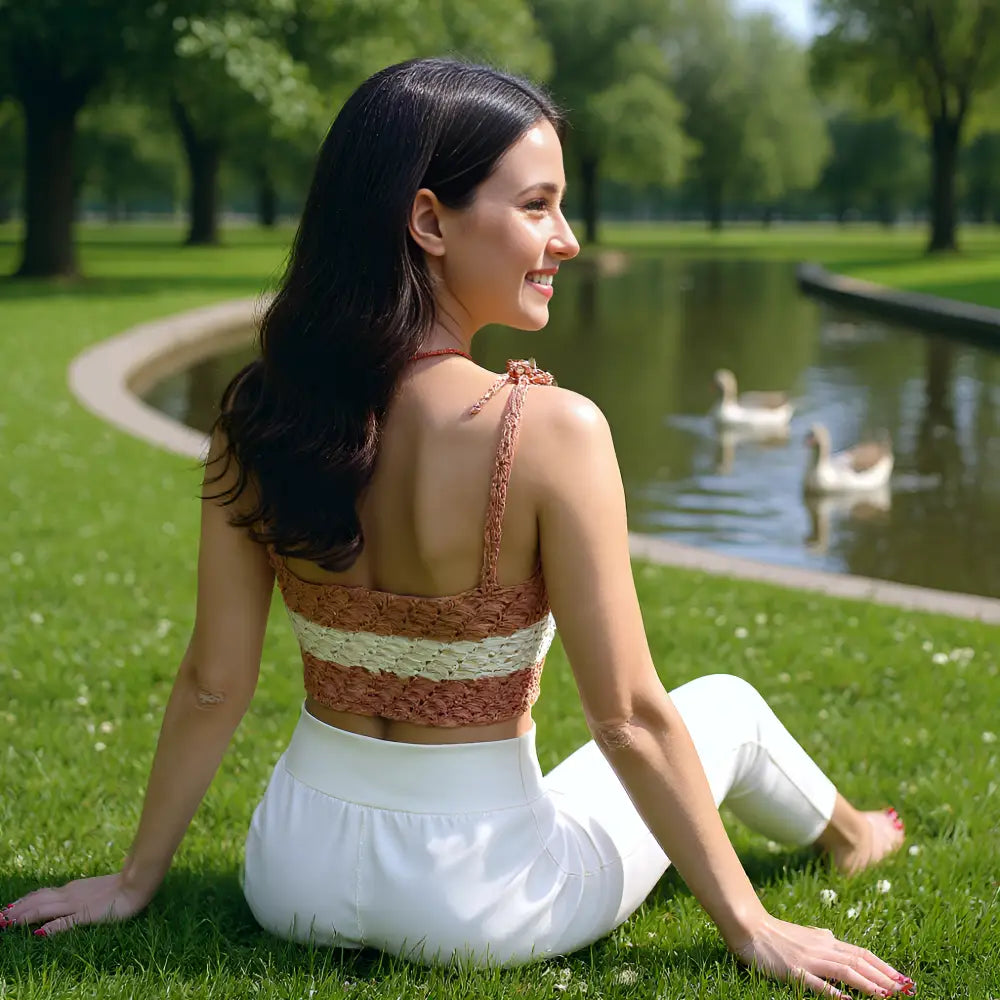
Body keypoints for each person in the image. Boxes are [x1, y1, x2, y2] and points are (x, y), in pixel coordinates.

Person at [0, 58, 914, 997]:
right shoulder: (555, 432)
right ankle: (854, 834)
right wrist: (753, 927)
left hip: (293, 875)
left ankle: (851, 832)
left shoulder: (261, 415)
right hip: (488, 898)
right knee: (718, 705)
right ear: (430, 221)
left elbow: (211, 683)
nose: (566, 237)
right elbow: (629, 717)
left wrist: (134, 879)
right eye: (536, 206)